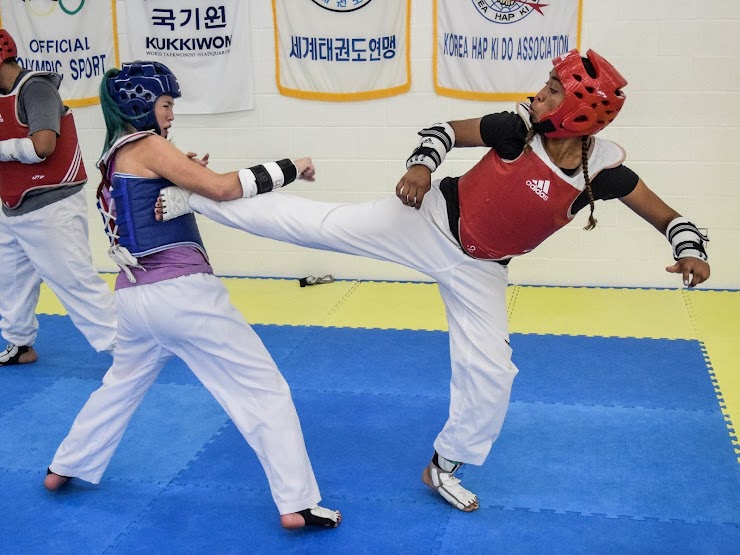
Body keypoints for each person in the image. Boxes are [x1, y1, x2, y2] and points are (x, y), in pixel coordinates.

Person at [157, 49, 710, 513]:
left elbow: (668, 217)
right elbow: (443, 129)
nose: (538, 95)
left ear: (580, 114)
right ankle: (196, 196)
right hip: (424, 223)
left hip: (481, 270)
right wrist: (421, 167)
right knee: (316, 225)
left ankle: (445, 465)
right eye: (545, 85)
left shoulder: (605, 173)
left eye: (552, 91)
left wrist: (689, 251)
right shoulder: (514, 129)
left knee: (493, 372)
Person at [44, 61, 341, 530]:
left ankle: (65, 466)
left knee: (120, 386)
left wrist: (183, 180)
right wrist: (290, 166)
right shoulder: (149, 145)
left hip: (132, 298)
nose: (171, 115)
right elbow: (223, 189)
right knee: (264, 389)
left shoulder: (112, 157)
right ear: (140, 105)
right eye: (166, 105)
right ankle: (297, 503)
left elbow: (155, 203)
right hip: (181, 295)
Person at [0, 28, 116, 366]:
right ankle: (20, 343)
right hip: (12, 206)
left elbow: (43, 146)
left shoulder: (36, 89)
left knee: (74, 281)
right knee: (10, 280)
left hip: (52, 206)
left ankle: (125, 349)